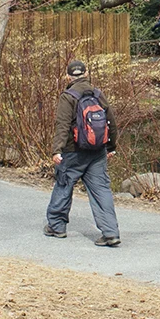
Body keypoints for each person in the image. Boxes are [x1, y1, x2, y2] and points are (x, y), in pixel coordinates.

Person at [45, 59, 121, 246]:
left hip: (73, 152)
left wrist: (57, 150)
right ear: (86, 74)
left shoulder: (68, 97)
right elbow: (111, 122)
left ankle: (57, 226)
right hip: (97, 151)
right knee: (101, 190)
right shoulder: (98, 94)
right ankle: (110, 233)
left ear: (68, 77)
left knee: (64, 185)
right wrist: (111, 147)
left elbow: (62, 125)